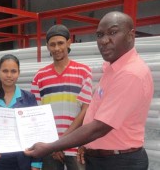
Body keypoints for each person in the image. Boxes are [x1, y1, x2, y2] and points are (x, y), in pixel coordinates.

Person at [25, 11, 154, 170]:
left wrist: (52, 146)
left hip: (118, 162)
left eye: (113, 32)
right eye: (100, 35)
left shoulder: (129, 74)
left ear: (131, 35)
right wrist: (86, 145)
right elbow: (94, 112)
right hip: (99, 156)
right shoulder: (110, 69)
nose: (105, 41)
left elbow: (99, 126)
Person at [30, 24, 92, 170]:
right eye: (52, 44)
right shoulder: (39, 76)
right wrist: (53, 146)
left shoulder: (83, 71)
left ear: (69, 43)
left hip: (75, 146)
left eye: (60, 43)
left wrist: (61, 142)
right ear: (47, 47)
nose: (57, 48)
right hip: (50, 149)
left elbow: (86, 110)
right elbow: (37, 114)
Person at [0, 54, 42, 170]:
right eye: (5, 71)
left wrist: (36, 163)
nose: (9, 75)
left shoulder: (28, 98)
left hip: (23, 161)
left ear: (18, 73)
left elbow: (35, 131)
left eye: (13, 71)